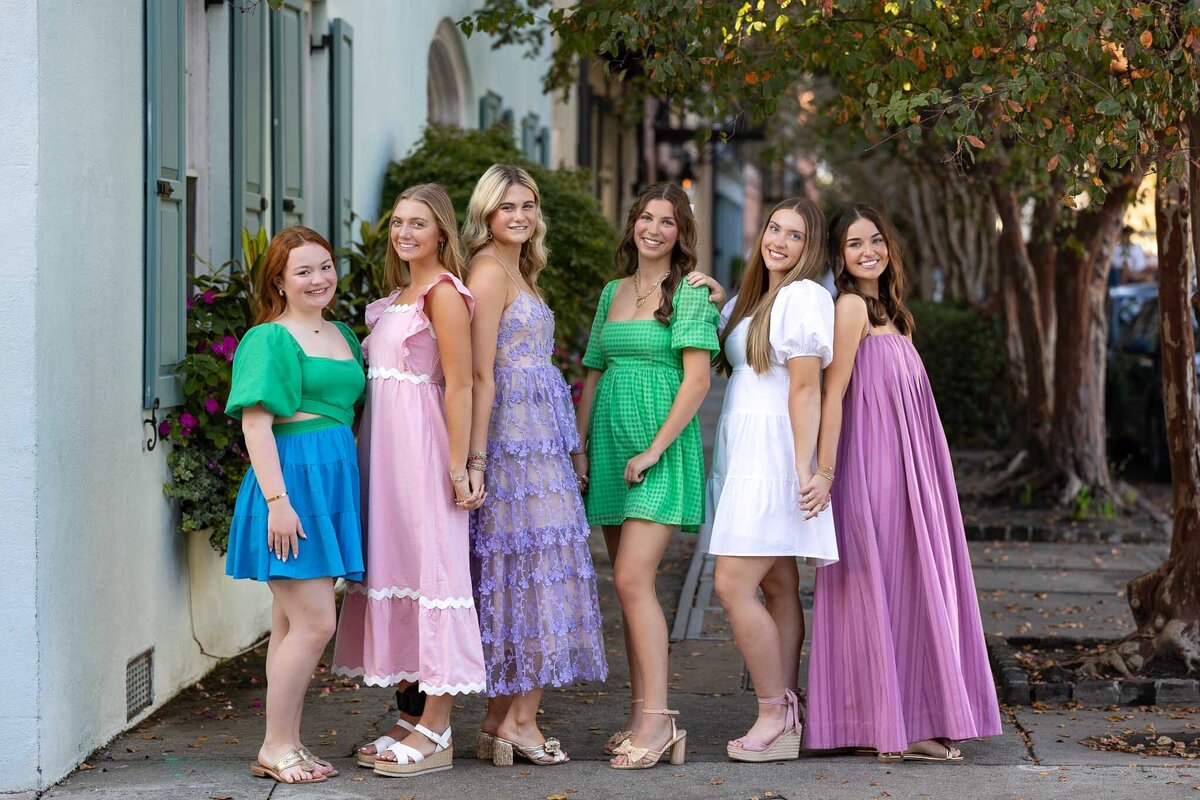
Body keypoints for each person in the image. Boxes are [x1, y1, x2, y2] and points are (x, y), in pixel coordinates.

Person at [804, 203, 1002, 762]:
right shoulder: (849, 308)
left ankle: (908, 717)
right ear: (838, 256)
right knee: (884, 580)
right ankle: (892, 727)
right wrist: (826, 473)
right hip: (873, 467)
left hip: (914, 467)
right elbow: (833, 392)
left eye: (875, 240)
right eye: (853, 244)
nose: (868, 251)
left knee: (914, 581)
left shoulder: (890, 310)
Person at [332, 184, 486, 778]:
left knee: (433, 574)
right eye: (397, 223)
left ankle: (439, 726)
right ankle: (410, 715)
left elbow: (463, 383)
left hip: (423, 454)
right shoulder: (397, 297)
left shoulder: (444, 294)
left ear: (441, 232)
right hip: (384, 456)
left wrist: (459, 463)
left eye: (417, 224)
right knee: (394, 571)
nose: (404, 233)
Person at [461, 164, 608, 767]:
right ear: (486, 215)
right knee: (536, 575)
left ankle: (501, 720)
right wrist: (477, 457)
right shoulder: (489, 270)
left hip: (542, 440)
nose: (519, 216)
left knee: (529, 575)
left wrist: (570, 445)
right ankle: (521, 721)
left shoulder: (520, 268)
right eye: (507, 208)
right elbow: (477, 372)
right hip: (511, 447)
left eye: (527, 205)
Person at [576, 182, 720, 770]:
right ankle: (639, 716)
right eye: (646, 218)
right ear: (632, 224)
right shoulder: (612, 290)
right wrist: (578, 449)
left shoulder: (688, 293)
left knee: (635, 579)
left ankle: (659, 721)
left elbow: (698, 381)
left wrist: (655, 450)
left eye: (668, 221)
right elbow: (592, 371)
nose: (654, 229)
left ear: (681, 234)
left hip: (659, 448)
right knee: (628, 586)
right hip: (609, 449)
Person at [224, 225, 366, 785]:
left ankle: (287, 742)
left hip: (332, 484)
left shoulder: (344, 335)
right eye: (303, 271)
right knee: (315, 623)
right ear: (279, 280)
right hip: (289, 485)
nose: (318, 279)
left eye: (325, 266)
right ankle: (274, 744)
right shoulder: (269, 339)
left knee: (290, 625)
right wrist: (279, 502)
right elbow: (256, 424)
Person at [702, 198, 838, 763]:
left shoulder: (805, 296)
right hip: (743, 456)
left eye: (796, 236)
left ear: (812, 249)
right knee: (777, 586)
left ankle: (772, 711)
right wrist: (718, 306)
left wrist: (807, 468)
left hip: (775, 459)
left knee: (731, 585)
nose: (779, 241)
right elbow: (741, 353)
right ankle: (788, 707)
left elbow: (806, 388)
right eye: (774, 228)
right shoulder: (755, 297)